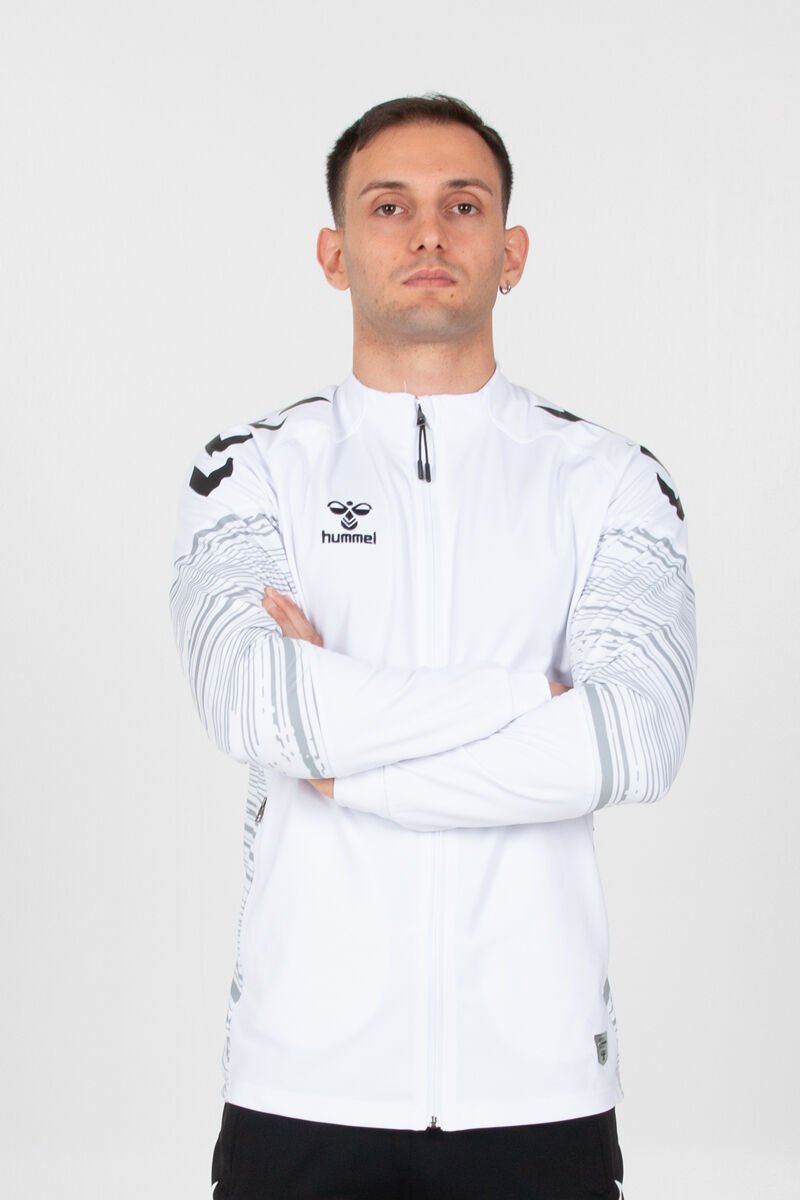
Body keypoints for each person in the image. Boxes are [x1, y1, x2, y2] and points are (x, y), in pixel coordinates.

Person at [170, 94, 696, 1200]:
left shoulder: (610, 479)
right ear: (334, 254)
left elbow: (629, 740)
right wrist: (529, 698)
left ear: (510, 253)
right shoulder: (252, 468)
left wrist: (344, 770)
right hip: (302, 1081)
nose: (426, 233)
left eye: (462, 206)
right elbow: (259, 705)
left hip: (537, 1083)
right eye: (387, 206)